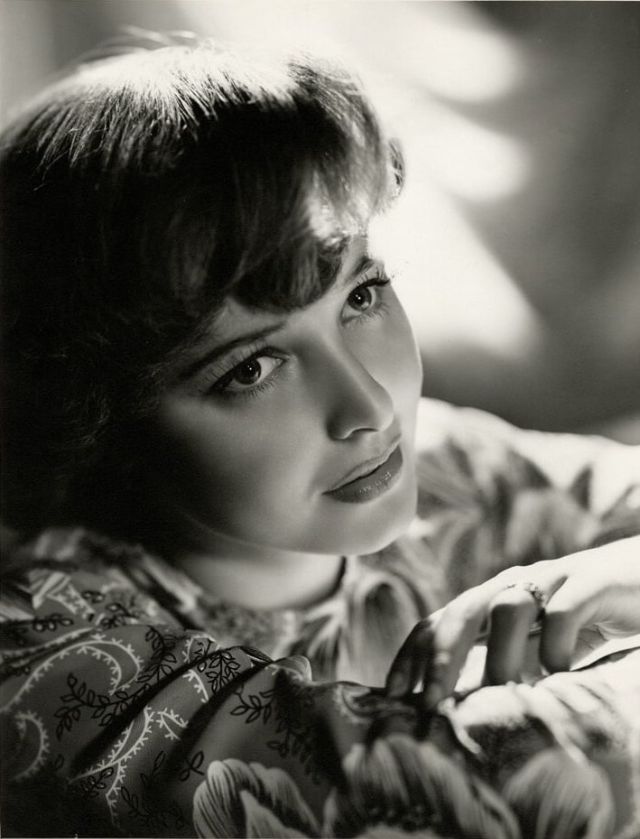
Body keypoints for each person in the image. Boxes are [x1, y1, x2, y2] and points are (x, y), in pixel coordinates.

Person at [1, 39, 639, 839]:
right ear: (101, 414)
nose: (368, 405)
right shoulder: (47, 651)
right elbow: (513, 796)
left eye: (361, 296)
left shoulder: (441, 466)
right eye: (250, 369)